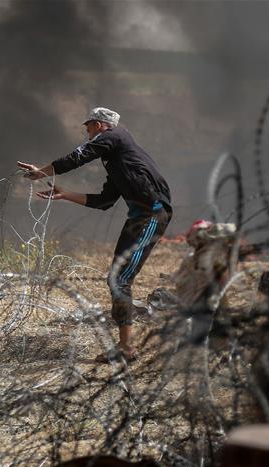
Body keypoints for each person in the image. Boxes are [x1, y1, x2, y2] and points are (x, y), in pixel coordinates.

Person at [17, 107, 172, 361]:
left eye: (88, 127)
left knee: (119, 280)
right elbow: (104, 201)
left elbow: (77, 157)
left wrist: (41, 172)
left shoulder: (115, 136)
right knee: (117, 279)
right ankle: (131, 324)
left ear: (99, 125)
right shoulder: (116, 160)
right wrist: (65, 194)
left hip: (152, 215)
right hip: (138, 218)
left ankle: (126, 347)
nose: (87, 132)